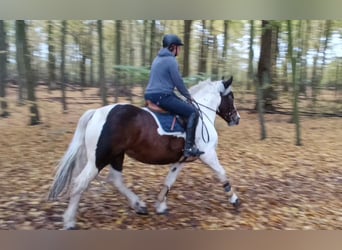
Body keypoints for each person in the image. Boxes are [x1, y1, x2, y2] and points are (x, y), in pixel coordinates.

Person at [144, 34, 204, 158]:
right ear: (172, 47)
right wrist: (188, 96)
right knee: (193, 112)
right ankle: (189, 147)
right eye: (178, 47)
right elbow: (178, 82)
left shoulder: (157, 59)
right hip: (162, 96)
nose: (180, 50)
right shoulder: (171, 61)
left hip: (151, 94)